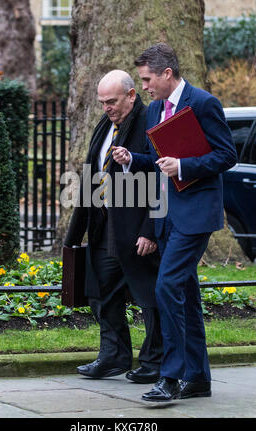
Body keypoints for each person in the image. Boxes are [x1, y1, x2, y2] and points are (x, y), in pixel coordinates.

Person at [113, 44, 237, 401]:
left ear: (167, 73)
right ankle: (197, 378)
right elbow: (157, 162)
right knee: (186, 295)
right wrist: (130, 158)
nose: (146, 87)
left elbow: (226, 155)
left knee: (166, 287)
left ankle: (170, 376)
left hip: (195, 216)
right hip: (167, 215)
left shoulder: (202, 103)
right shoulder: (154, 111)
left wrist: (184, 167)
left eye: (148, 79)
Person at [64, 69, 163, 384]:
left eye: (112, 101)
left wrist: (151, 229)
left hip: (137, 228)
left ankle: (154, 362)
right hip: (103, 223)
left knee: (149, 297)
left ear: (132, 95)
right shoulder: (104, 125)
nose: (106, 107)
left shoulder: (151, 122)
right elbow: (92, 176)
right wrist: (74, 232)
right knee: (100, 292)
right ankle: (113, 356)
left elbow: (163, 180)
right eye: (102, 102)